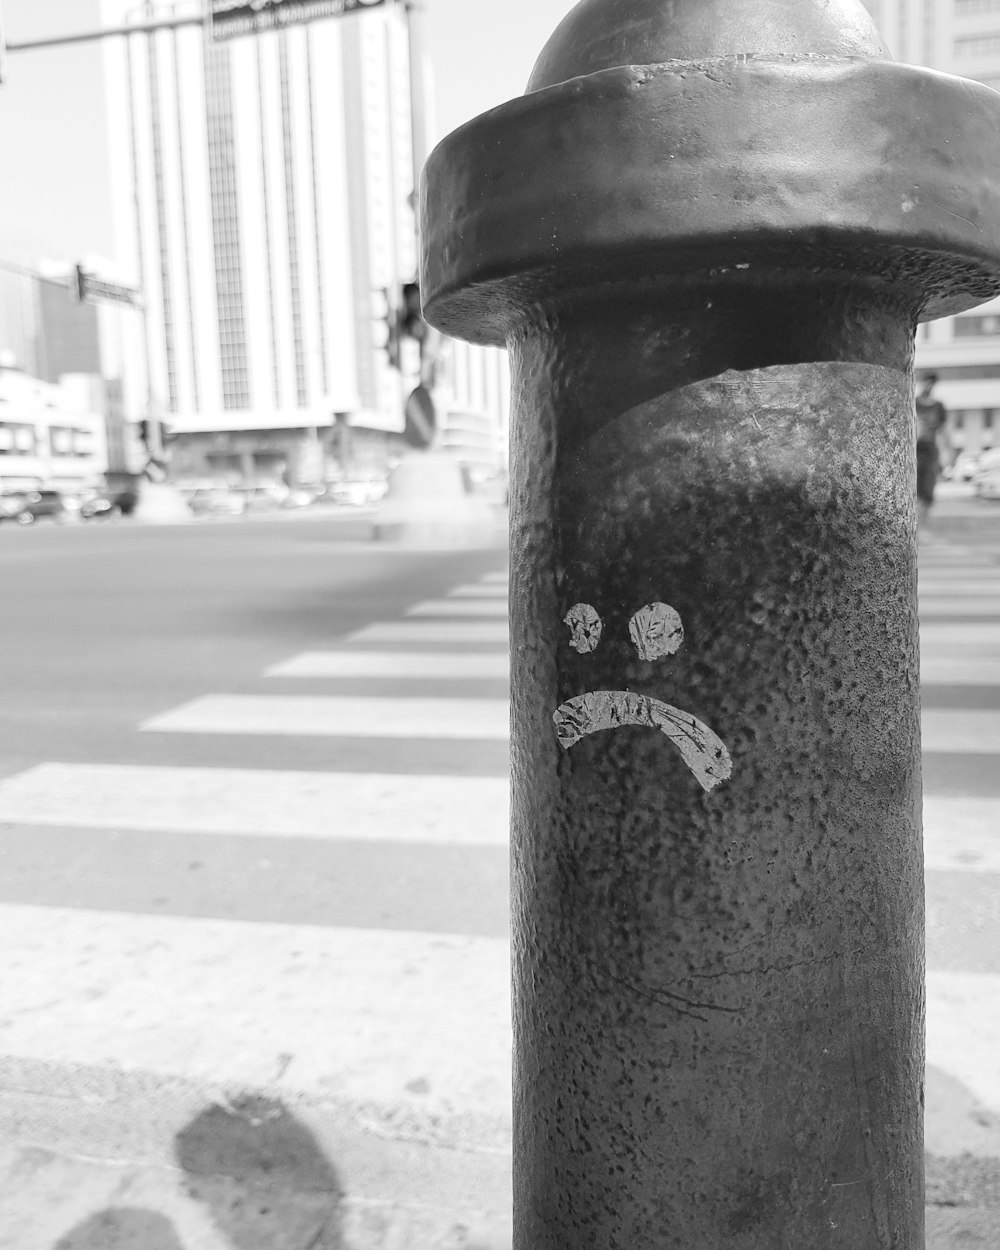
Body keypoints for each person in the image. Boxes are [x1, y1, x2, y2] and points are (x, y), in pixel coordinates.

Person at [915, 373, 949, 527]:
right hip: (914, 450)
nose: (929, 386)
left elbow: (943, 431)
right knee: (914, 489)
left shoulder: (938, 406)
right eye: (926, 382)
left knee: (928, 490)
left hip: (930, 450)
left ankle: (923, 527)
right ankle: (913, 526)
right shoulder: (913, 403)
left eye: (932, 383)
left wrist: (946, 454)